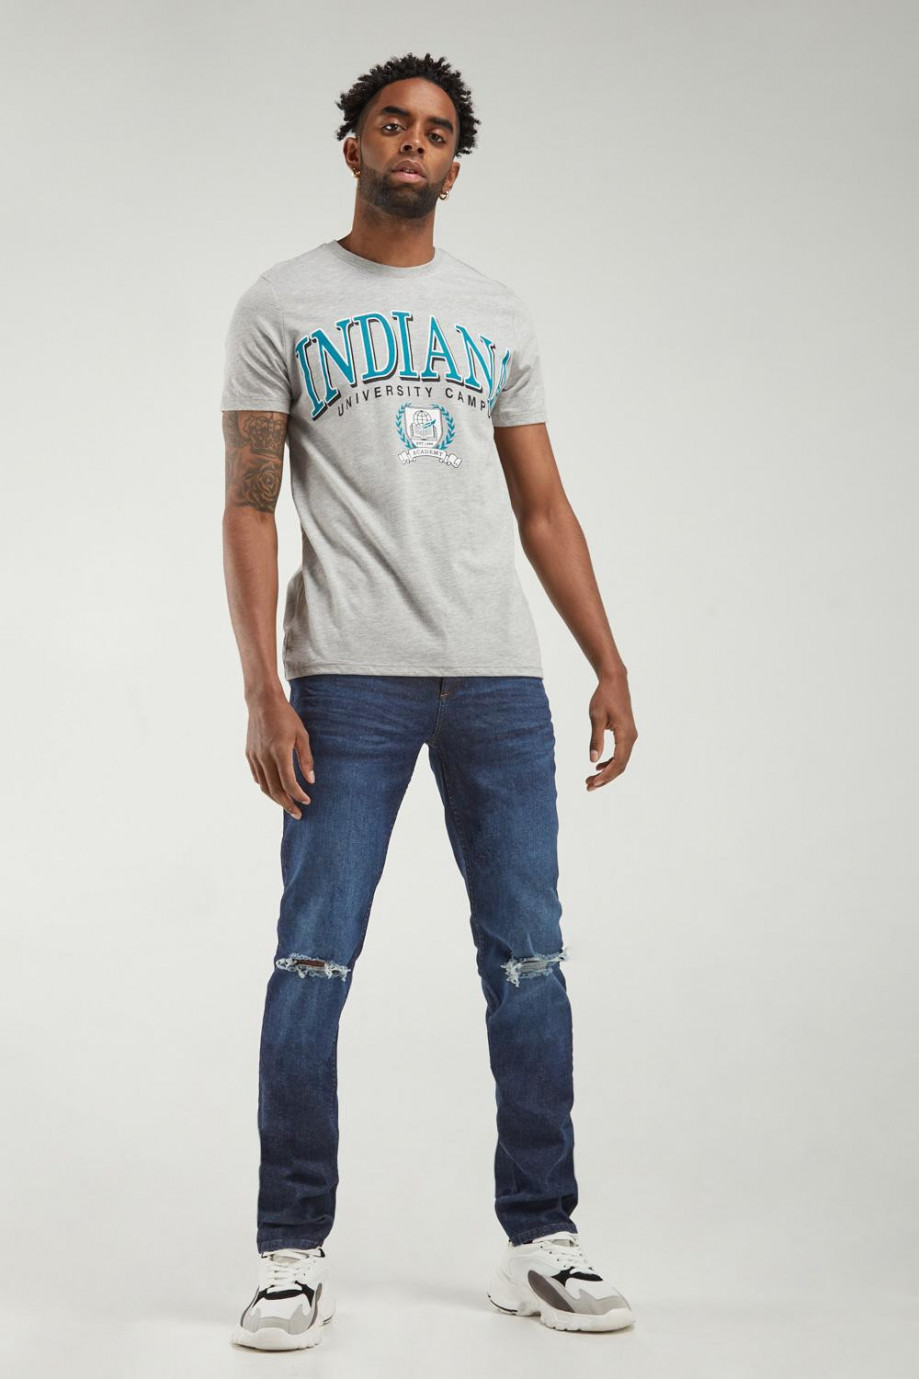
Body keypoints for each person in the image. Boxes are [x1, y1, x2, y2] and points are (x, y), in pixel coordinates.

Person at [221, 51, 638, 1351]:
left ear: (457, 164)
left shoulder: (496, 312)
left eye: (439, 131)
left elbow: (543, 506)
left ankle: (543, 1239)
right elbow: (249, 506)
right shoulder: (283, 302)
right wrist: (264, 687)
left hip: (499, 678)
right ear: (352, 146)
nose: (416, 142)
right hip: (346, 680)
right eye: (393, 124)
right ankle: (290, 1254)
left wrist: (608, 661)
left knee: (529, 962)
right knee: (313, 958)